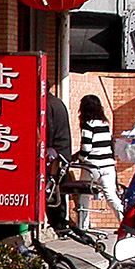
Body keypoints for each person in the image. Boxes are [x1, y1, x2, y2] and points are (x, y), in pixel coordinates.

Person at [74, 94, 123, 232]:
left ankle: (82, 227)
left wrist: (79, 158)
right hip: (108, 165)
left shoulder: (87, 125)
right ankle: (125, 224)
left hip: (92, 166)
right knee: (111, 196)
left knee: (84, 195)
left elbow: (86, 148)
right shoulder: (105, 124)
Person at [44, 92, 72, 232]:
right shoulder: (57, 103)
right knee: (58, 191)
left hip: (54, 155)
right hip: (63, 153)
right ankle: (60, 224)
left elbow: (48, 129)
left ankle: (58, 224)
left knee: (52, 191)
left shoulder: (47, 104)